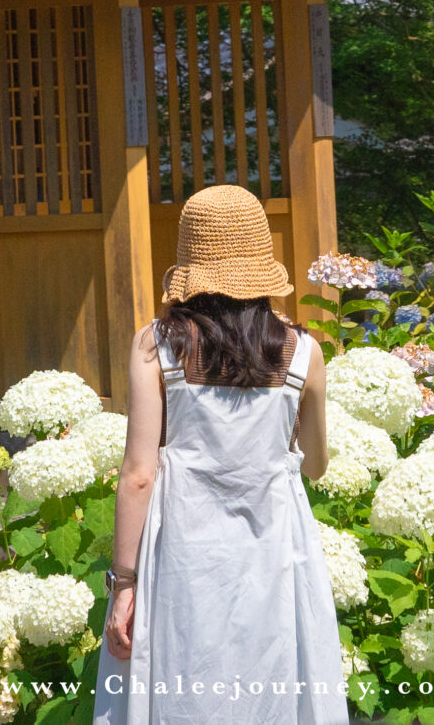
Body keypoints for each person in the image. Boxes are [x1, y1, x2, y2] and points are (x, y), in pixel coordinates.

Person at [94, 185, 350, 725]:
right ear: (262, 262)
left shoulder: (158, 345)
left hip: (184, 553)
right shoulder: (304, 351)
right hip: (275, 551)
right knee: (275, 685)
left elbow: (139, 475)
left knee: (185, 682)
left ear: (190, 262)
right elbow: (316, 464)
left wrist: (124, 584)